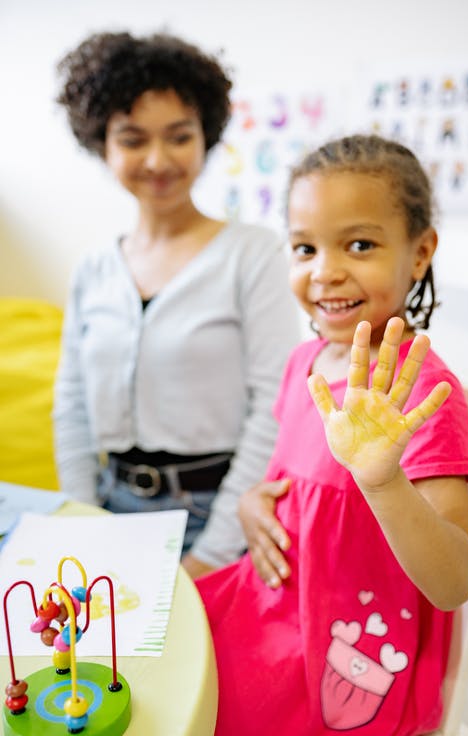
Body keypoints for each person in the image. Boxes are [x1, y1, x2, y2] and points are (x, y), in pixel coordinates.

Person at [196, 134, 468, 736]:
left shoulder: (426, 392)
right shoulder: (305, 360)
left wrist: (383, 479)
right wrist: (253, 505)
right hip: (271, 601)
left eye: (359, 244)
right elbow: (285, 483)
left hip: (345, 644)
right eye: (304, 247)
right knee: (160, 655)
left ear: (420, 252)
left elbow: (454, 582)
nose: (324, 270)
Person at [52, 31, 300, 577]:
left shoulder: (253, 254)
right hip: (107, 511)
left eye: (178, 136)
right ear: (102, 144)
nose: (158, 159)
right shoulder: (94, 267)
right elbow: (70, 403)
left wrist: (212, 552)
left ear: (205, 138)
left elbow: (275, 409)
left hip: (217, 514)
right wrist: (82, 519)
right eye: (134, 139)